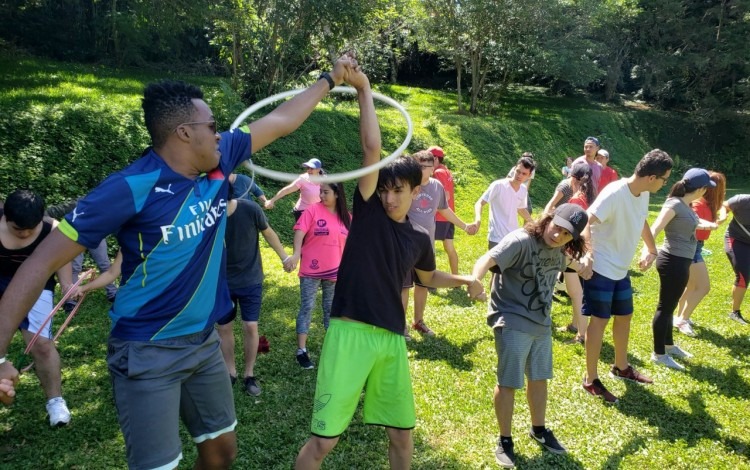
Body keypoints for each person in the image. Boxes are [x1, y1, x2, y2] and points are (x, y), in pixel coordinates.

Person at [0, 55, 360, 469]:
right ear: (185, 133)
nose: (221, 134)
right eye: (212, 126)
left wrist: (331, 79)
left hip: (204, 342)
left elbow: (282, 120)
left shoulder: (219, 159)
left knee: (222, 450)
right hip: (145, 349)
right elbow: (37, 265)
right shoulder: (129, 187)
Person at [294, 68, 485, 470]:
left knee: (402, 436)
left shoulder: (418, 237)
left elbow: (429, 279)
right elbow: (371, 148)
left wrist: (467, 278)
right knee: (323, 442)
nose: (389, 197)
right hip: (350, 334)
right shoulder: (368, 214)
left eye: (398, 190)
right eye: (384, 189)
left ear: (418, 193)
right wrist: (364, 89)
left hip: (392, 341)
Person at [472, 204, 590, 468]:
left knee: (539, 379)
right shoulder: (520, 241)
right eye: (557, 227)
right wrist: (475, 279)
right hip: (511, 317)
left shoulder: (559, 248)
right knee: (509, 382)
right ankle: (504, 440)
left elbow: (567, 262)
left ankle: (538, 429)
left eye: (566, 234)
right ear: (549, 219)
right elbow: (488, 258)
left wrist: (582, 266)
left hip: (541, 322)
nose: (558, 235)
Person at [579, 149, 673, 404]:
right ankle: (590, 379)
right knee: (599, 321)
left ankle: (621, 366)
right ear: (652, 177)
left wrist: (652, 248)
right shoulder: (615, 192)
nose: (664, 185)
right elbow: (587, 219)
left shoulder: (642, 193)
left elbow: (640, 220)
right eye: (664, 179)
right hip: (600, 267)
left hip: (620, 269)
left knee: (625, 316)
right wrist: (587, 254)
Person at [0, 190, 73, 426]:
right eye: (17, 229)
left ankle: (55, 401)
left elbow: (62, 257)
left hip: (36, 284)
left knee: (41, 344)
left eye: (30, 229)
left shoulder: (53, 229)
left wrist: (66, 284)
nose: (24, 233)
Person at [217, 190, 291, 396]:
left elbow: (268, 232)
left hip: (250, 279)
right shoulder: (209, 215)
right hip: (222, 282)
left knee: (250, 326)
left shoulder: (250, 209)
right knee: (224, 328)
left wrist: (285, 258)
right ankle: (230, 372)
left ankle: (249, 374)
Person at [648, 169, 718, 370]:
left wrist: (708, 225)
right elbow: (655, 228)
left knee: (670, 306)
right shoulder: (674, 204)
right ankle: (658, 354)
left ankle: (668, 346)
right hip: (673, 261)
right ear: (701, 189)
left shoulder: (685, 205)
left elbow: (691, 222)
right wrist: (649, 251)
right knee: (665, 307)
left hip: (681, 261)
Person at [402, 150, 477, 338]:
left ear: (432, 167)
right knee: (403, 286)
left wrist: (464, 226)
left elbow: (444, 210)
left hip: (426, 245)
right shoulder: (406, 185)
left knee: (423, 284)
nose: (420, 170)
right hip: (404, 243)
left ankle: (418, 322)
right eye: (417, 165)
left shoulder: (437, 187)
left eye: (424, 167)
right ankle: (399, 325)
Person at [288, 181, 351, 369]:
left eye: (325, 192)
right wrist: (296, 253)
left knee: (331, 310)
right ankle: (301, 351)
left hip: (335, 271)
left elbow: (352, 244)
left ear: (337, 194)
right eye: (320, 192)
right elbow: (299, 231)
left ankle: (332, 349)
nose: (321, 196)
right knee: (307, 306)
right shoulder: (312, 210)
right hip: (311, 269)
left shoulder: (347, 217)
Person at [543, 162, 596, 344]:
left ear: (573, 179)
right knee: (576, 292)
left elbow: (583, 228)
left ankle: (582, 335)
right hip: (576, 250)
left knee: (575, 293)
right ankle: (575, 325)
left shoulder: (575, 200)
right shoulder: (585, 196)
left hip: (571, 251)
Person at [675, 172, 727, 335]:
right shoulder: (699, 204)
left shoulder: (709, 205)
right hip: (692, 247)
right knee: (703, 287)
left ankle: (679, 317)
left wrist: (716, 221)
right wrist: (708, 225)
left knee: (691, 285)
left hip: (695, 246)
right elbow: (691, 224)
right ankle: (682, 320)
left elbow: (724, 208)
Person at [47, 199, 118, 306]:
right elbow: (53, 211)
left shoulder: (104, 204)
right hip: (77, 238)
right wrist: (40, 216)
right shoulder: (77, 203)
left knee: (104, 264)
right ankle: (70, 299)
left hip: (97, 237)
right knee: (75, 267)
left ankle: (112, 293)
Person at [474, 155, 535, 249]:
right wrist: (478, 220)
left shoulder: (523, 189)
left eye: (524, 174)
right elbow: (480, 203)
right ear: (514, 168)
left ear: (529, 175)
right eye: (518, 171)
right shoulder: (498, 185)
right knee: (494, 264)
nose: (519, 175)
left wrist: (534, 224)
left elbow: (521, 209)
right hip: (496, 238)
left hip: (513, 237)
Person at [721, 192, 750, 325]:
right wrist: (723, 215)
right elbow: (724, 206)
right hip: (736, 239)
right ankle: (735, 312)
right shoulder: (742, 200)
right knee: (743, 274)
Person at [431, 145, 459, 275]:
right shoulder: (446, 170)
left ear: (436, 158)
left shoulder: (437, 173)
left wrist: (432, 210)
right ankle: (456, 278)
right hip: (449, 216)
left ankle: (430, 280)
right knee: (449, 247)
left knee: (429, 248)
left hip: (440, 217)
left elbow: (445, 195)